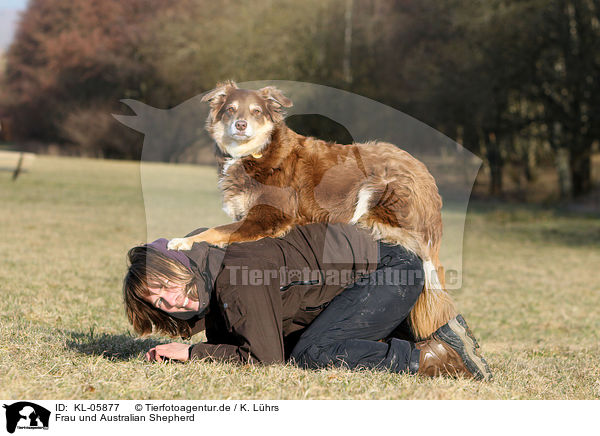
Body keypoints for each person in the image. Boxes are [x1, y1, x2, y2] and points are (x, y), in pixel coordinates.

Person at [123, 223, 492, 380]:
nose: (168, 301)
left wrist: (193, 354)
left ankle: (437, 357)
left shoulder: (236, 273)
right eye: (156, 300)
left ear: (181, 263)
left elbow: (266, 361)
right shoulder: (216, 266)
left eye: (166, 283)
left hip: (390, 271)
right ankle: (435, 335)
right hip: (378, 275)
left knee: (311, 354)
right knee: (306, 345)